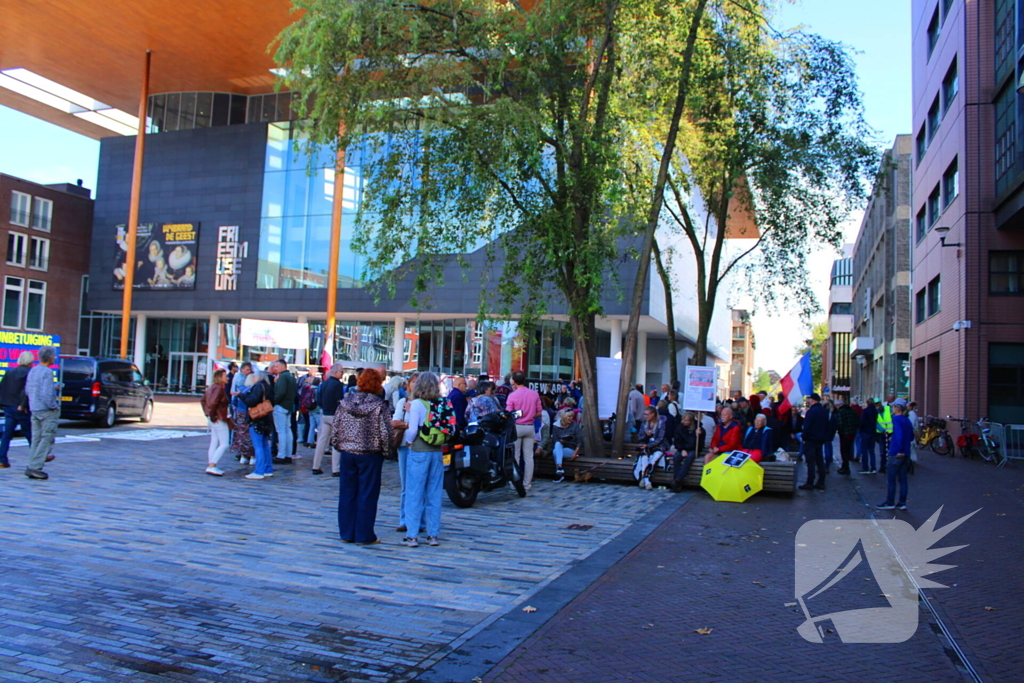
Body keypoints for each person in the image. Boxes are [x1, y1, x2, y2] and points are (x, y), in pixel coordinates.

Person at [331, 368, 392, 546]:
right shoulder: (379, 406)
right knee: (367, 494)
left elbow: (335, 429)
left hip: (348, 452)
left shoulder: (345, 403)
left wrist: (339, 446)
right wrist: (387, 452)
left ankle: (347, 532)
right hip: (370, 453)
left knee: (347, 493)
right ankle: (364, 535)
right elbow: (386, 432)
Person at [402, 372, 447, 547]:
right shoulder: (440, 403)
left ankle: (412, 535)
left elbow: (413, 430)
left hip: (419, 450)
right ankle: (433, 535)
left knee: (414, 493)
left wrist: (408, 441)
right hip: (436, 451)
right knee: (434, 494)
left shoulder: (417, 404)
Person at [23, 346, 59, 480]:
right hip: (46, 410)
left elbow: (28, 390)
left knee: (36, 439)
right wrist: (53, 406)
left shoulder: (33, 371)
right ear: (49, 357)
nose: (54, 358)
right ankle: (35, 466)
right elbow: (46, 394)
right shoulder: (47, 372)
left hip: (34, 408)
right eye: (53, 356)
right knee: (47, 437)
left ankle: (32, 463)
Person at [506, 370, 543, 493]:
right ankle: (527, 484)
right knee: (528, 457)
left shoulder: (512, 395)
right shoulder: (534, 394)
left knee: (515, 455)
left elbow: (509, 414)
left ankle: (514, 483)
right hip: (529, 426)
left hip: (516, 426)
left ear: (514, 381)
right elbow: (539, 412)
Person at [877, 402, 914, 511]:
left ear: (897, 408)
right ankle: (902, 503)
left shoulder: (896, 419)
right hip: (906, 452)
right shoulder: (906, 420)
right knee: (903, 479)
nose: (892, 409)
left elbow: (899, 434)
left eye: (893, 407)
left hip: (897, 452)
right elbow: (911, 436)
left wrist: (899, 448)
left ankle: (890, 501)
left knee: (891, 478)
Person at [0, 351, 34, 468]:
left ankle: (2, 459)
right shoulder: (30, 373)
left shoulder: (9, 372)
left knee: (7, 435)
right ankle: (37, 458)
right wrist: (23, 405)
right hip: (22, 408)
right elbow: (27, 390)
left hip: (9, 407)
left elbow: (2, 388)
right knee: (30, 434)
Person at [241, 370, 275, 480]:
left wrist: (241, 395)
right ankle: (267, 469)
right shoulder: (268, 386)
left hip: (257, 418)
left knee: (258, 445)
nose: (253, 378)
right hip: (267, 418)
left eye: (254, 376)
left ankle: (259, 471)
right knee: (265, 444)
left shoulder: (258, 387)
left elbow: (251, 401)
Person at [313, 363, 346, 476]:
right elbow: (339, 401)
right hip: (335, 414)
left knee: (322, 440)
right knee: (336, 441)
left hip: (325, 413)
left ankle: (315, 466)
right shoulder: (338, 385)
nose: (342, 374)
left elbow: (319, 399)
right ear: (335, 372)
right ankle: (335, 469)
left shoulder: (324, 383)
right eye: (341, 372)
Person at [200, 369, 231, 476]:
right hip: (219, 418)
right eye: (225, 376)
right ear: (220, 377)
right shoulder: (219, 389)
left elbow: (203, 401)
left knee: (214, 441)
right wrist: (213, 415)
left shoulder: (211, 388)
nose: (227, 378)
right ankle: (212, 465)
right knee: (224, 443)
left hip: (213, 418)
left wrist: (208, 414)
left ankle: (211, 464)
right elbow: (213, 403)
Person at [634, 406, 668, 490]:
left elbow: (660, 438)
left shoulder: (661, 423)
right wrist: (646, 435)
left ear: (653, 414)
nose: (645, 416)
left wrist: (649, 445)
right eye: (644, 414)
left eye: (647, 414)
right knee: (644, 457)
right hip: (645, 444)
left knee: (654, 458)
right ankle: (647, 481)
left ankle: (644, 478)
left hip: (657, 446)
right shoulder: (644, 423)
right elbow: (639, 437)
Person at [799, 393, 828, 491]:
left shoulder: (811, 411)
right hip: (820, 439)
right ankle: (821, 482)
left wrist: (804, 438)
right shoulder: (824, 411)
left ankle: (810, 482)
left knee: (810, 461)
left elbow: (807, 426)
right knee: (819, 461)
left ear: (813, 400)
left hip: (811, 439)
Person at [269, 360, 296, 463]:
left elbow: (280, 392)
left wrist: (273, 402)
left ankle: (282, 455)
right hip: (288, 406)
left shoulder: (283, 377)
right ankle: (288, 454)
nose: (275, 368)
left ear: (283, 366)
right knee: (287, 430)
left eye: (277, 366)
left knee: (281, 431)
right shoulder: (291, 376)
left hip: (280, 406)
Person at [671, 411, 705, 492]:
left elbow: (700, 444)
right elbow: (677, 441)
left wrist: (698, 436)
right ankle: (676, 480)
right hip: (682, 448)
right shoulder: (680, 428)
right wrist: (682, 449)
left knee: (690, 458)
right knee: (676, 457)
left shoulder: (699, 429)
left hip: (693, 449)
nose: (684, 422)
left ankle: (678, 479)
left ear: (691, 421)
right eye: (683, 420)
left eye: (686, 420)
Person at [550, 407, 581, 483]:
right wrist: (561, 441)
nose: (571, 418)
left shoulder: (575, 426)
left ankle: (559, 471)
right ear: (564, 417)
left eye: (572, 416)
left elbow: (579, 440)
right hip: (560, 447)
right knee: (557, 444)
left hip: (571, 448)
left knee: (555, 452)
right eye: (569, 416)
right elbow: (554, 439)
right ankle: (560, 468)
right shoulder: (556, 426)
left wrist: (575, 453)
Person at [835, 398, 859, 475]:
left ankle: (846, 468)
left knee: (843, 450)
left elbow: (840, 423)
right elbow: (856, 420)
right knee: (848, 449)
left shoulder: (840, 411)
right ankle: (845, 466)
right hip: (852, 432)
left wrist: (838, 430)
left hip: (844, 433)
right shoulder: (851, 410)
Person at [858, 398, 879, 474]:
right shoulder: (876, 411)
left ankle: (865, 468)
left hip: (865, 432)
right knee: (871, 451)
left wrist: (861, 429)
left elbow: (862, 421)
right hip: (873, 432)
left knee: (864, 450)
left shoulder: (865, 411)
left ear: (867, 403)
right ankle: (873, 467)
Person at [876, 394, 895, 475]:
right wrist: (882, 430)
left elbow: (894, 419)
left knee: (890, 450)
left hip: (890, 433)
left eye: (878, 404)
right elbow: (875, 423)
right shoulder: (875, 412)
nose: (877, 406)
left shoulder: (888, 409)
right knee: (883, 451)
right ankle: (883, 466)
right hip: (881, 434)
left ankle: (890, 466)